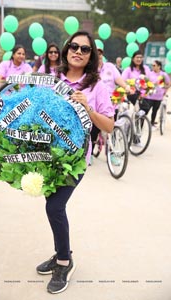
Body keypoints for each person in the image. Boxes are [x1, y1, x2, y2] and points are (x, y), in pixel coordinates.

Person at [35, 31, 114, 294]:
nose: (78, 51)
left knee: (55, 206)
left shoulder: (96, 87)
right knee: (51, 205)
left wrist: (87, 109)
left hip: (75, 158)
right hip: (48, 155)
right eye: (74, 46)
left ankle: (64, 262)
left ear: (91, 56)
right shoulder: (52, 80)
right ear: (67, 50)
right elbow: (35, 109)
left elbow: (110, 126)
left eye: (85, 49)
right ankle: (61, 251)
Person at [91, 45, 131, 160]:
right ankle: (91, 152)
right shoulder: (90, 69)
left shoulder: (110, 67)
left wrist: (126, 87)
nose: (98, 56)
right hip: (97, 104)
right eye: (96, 53)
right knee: (94, 129)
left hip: (112, 102)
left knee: (112, 128)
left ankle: (112, 154)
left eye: (100, 53)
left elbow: (119, 80)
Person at [146, 60, 170, 129]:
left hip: (159, 96)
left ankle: (152, 123)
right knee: (146, 110)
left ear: (159, 66)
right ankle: (142, 122)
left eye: (154, 65)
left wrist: (164, 90)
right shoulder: (150, 74)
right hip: (150, 96)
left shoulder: (163, 74)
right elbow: (146, 83)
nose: (152, 67)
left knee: (155, 111)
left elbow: (168, 84)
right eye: (152, 65)